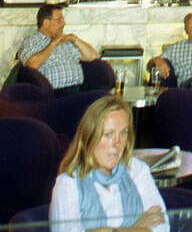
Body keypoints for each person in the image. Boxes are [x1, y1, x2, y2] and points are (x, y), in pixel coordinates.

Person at [49, 93, 168, 232]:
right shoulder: (68, 183)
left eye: (123, 133)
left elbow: (162, 226)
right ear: (90, 137)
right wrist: (134, 228)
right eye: (108, 135)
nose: (117, 144)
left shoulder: (137, 169)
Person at [19, 3, 98, 95]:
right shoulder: (31, 41)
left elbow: (91, 56)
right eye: (59, 20)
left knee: (105, 96)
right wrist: (53, 43)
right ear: (45, 23)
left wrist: (74, 39)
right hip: (57, 92)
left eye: (63, 19)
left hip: (79, 88)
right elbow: (32, 64)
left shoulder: (65, 40)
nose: (63, 23)